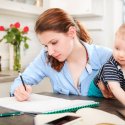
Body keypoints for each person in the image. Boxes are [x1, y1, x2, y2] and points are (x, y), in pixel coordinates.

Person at [10, 8, 112, 101]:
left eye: (54, 42)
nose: (50, 52)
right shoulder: (46, 57)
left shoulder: (106, 57)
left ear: (71, 32)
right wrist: (18, 91)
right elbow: (20, 81)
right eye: (46, 45)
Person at [88, 24, 125, 106]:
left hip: (115, 96)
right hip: (96, 97)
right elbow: (114, 88)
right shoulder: (111, 65)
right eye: (117, 48)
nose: (121, 54)